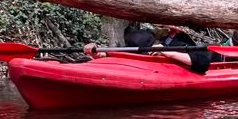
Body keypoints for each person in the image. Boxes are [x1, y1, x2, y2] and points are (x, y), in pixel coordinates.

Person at [83, 26, 211, 74]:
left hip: (168, 69)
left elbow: (203, 62)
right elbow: (128, 50)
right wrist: (100, 53)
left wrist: (166, 51)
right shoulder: (146, 35)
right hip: (142, 68)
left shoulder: (182, 41)